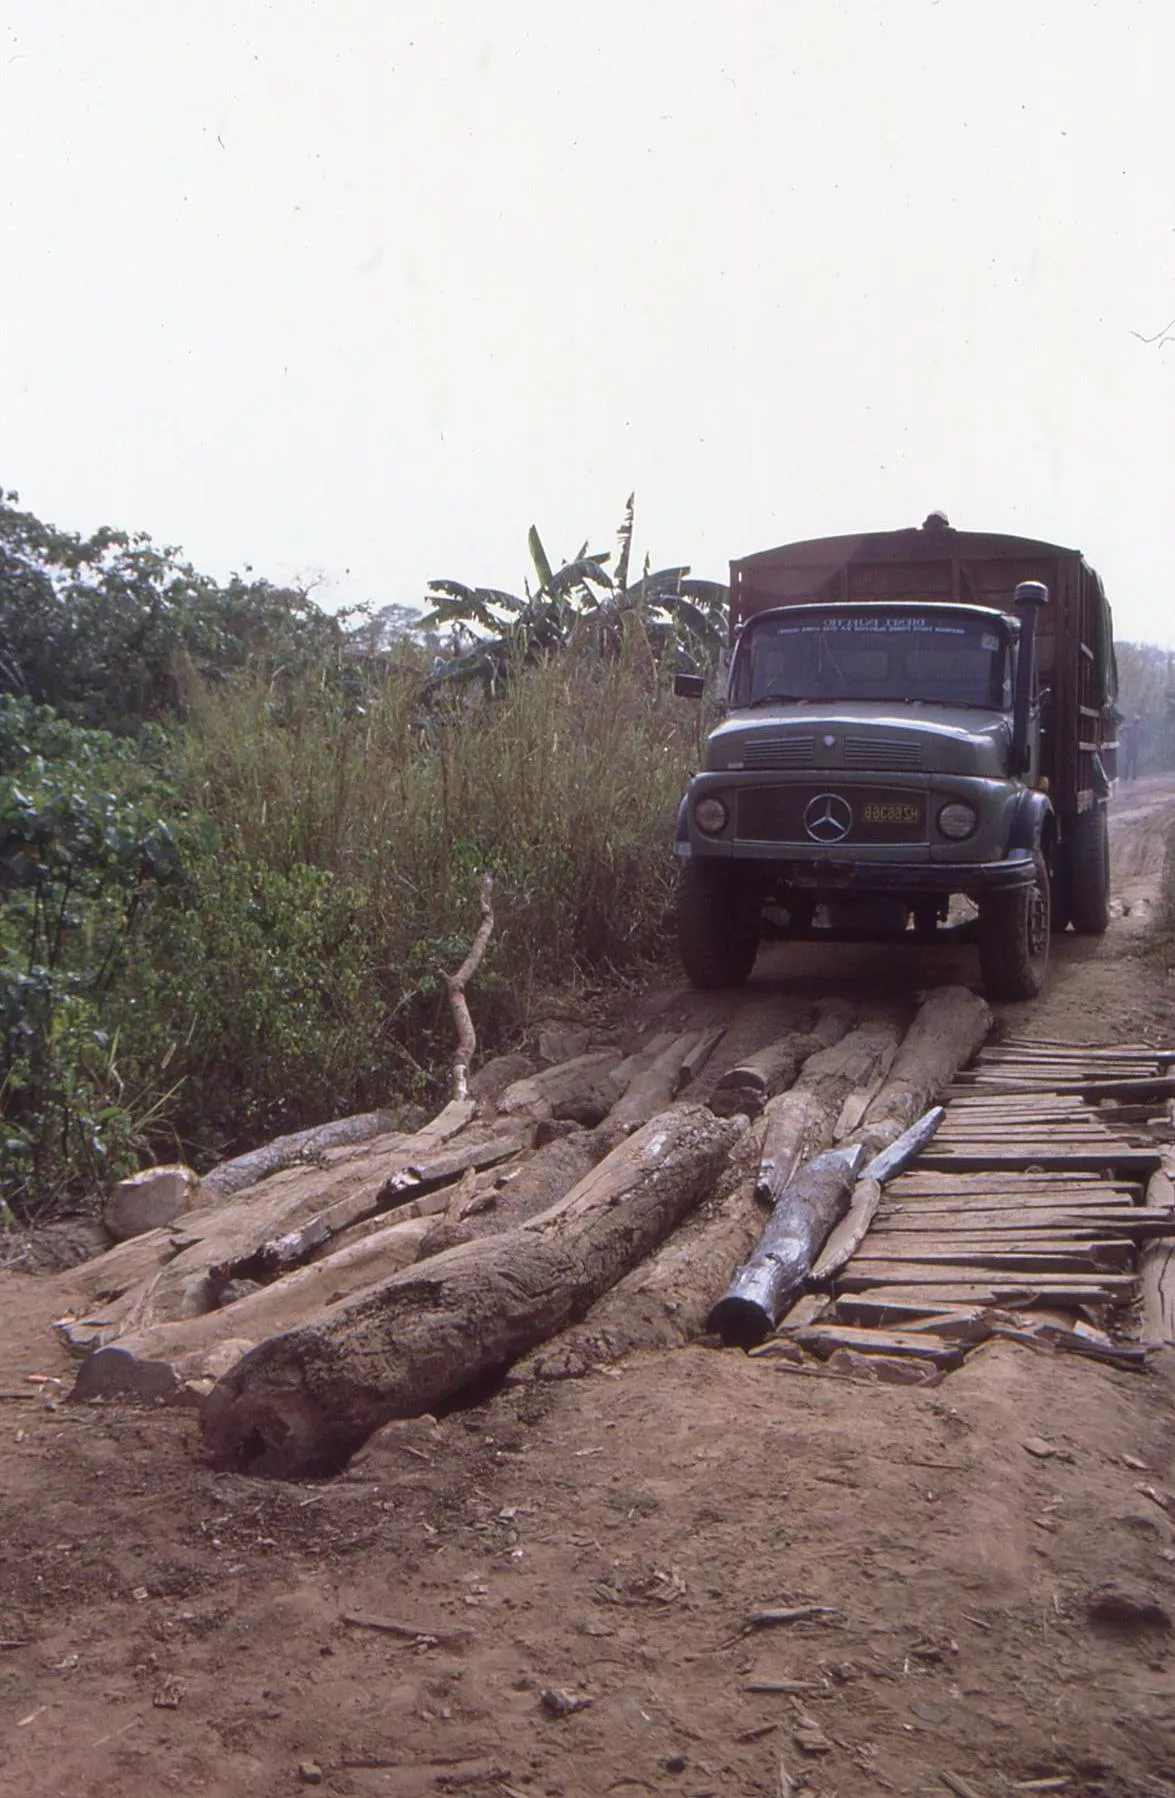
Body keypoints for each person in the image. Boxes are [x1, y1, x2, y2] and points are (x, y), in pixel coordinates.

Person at [1123, 714, 1143, 780]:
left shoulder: (1138, 728)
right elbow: (1121, 730)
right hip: (1129, 747)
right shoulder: (1129, 727)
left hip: (1135, 748)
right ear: (1134, 721)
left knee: (1134, 763)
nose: (1137, 722)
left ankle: (1133, 776)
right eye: (1136, 721)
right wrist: (1124, 737)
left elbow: (1139, 738)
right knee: (1128, 762)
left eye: (1138, 721)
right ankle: (1126, 776)